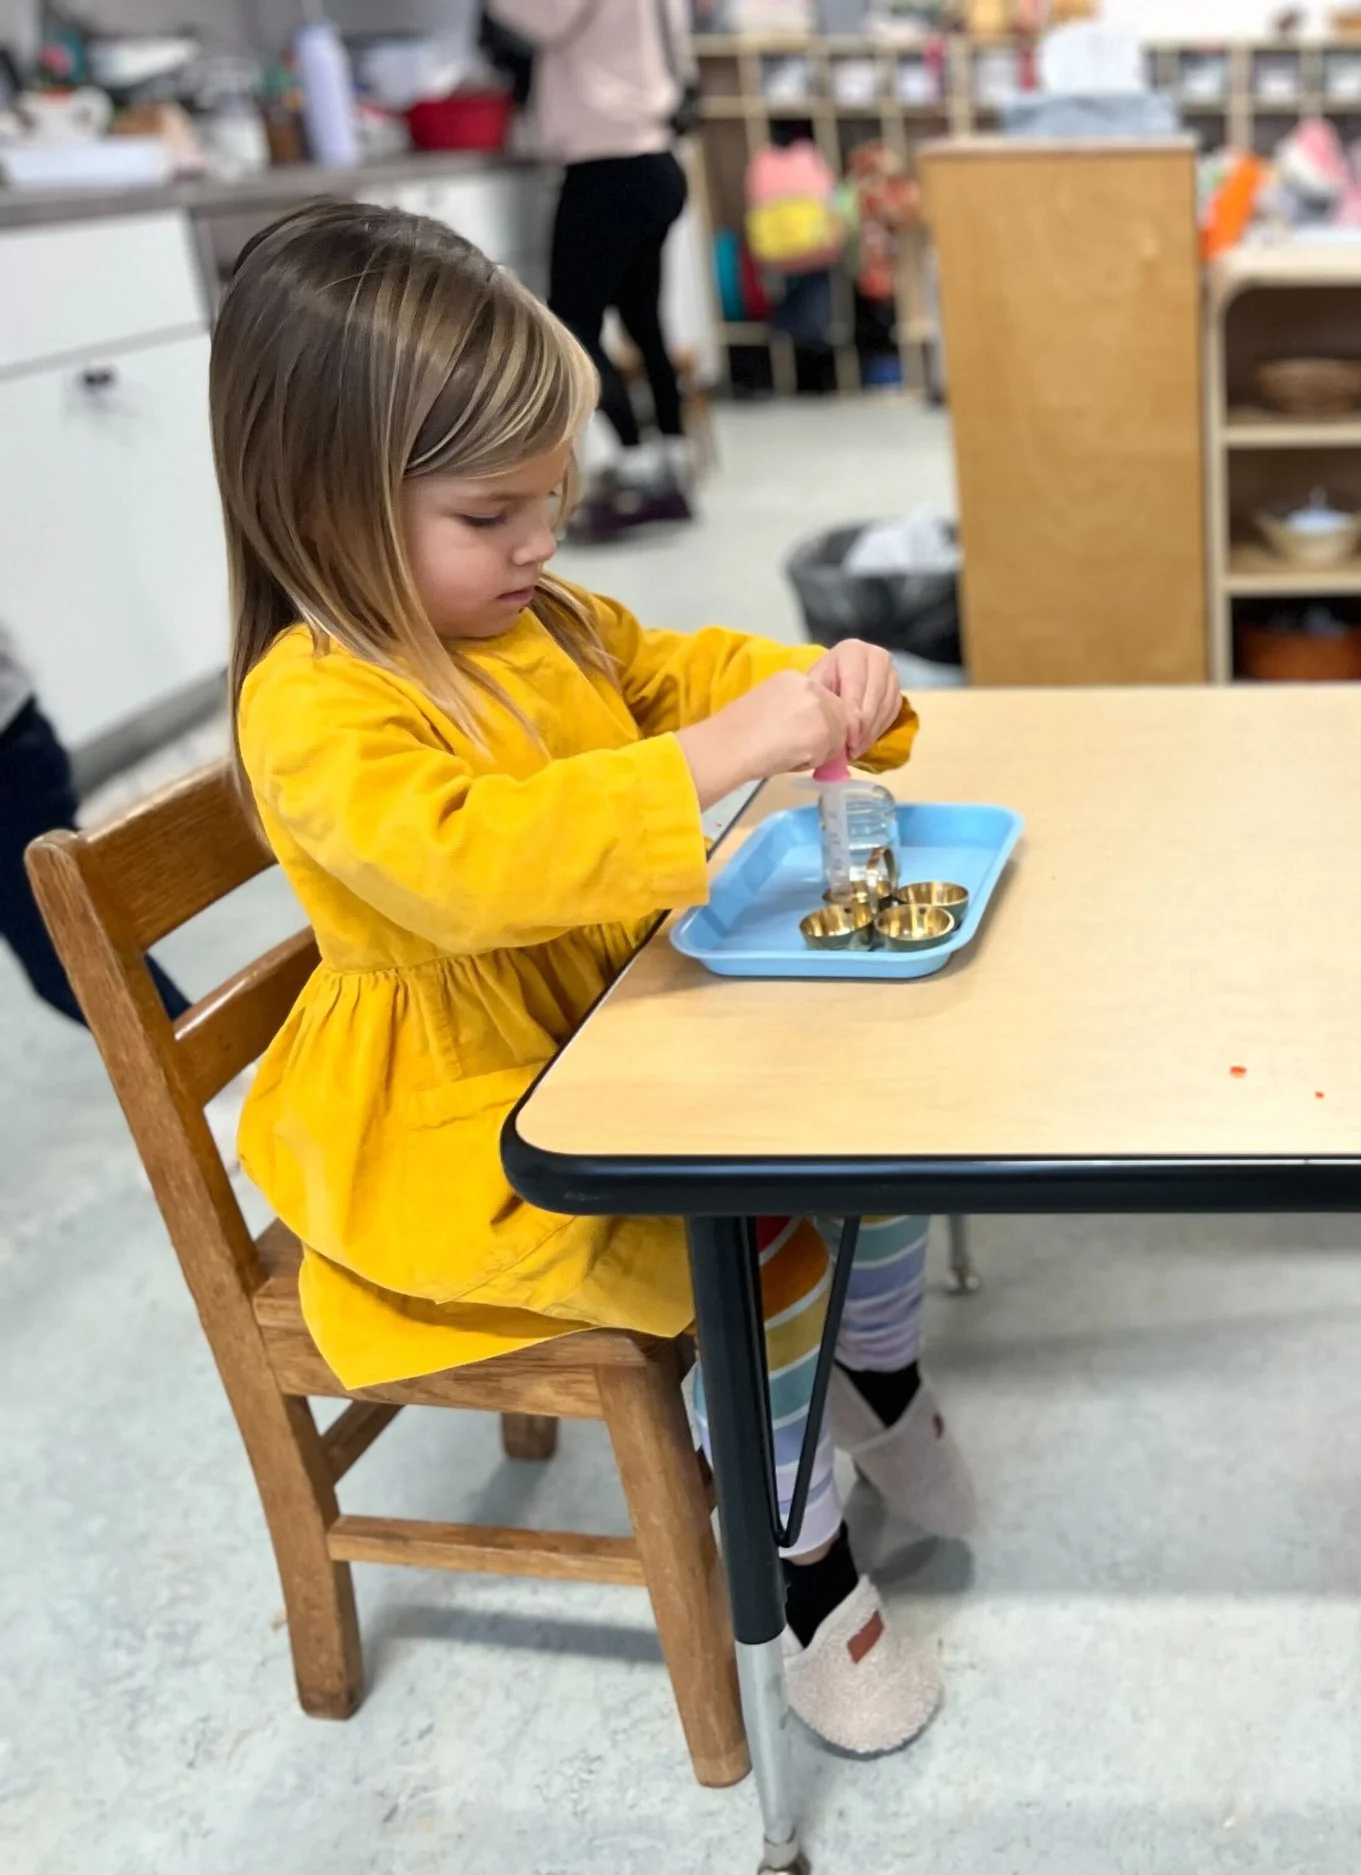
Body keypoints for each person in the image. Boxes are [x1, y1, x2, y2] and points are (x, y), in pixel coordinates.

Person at [211, 200, 973, 1755]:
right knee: (757, 1238)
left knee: (888, 1121)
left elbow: (671, 666)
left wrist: (812, 682)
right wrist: (714, 756)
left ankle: (879, 1374)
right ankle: (800, 1554)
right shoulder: (315, 704)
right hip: (466, 1118)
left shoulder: (539, 613)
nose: (540, 543)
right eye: (492, 512)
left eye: (550, 497)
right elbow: (474, 861)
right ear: (323, 503)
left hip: (609, 1025)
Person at [489, 0, 699, 540]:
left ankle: (636, 469)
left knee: (571, 329)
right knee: (643, 322)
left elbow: (538, 19)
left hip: (606, 170)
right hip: (657, 161)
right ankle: (673, 460)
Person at [0, 627, 185, 1026]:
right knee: (71, 961)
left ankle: (193, 1056)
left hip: (9, 759)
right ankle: (189, 1052)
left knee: (73, 961)